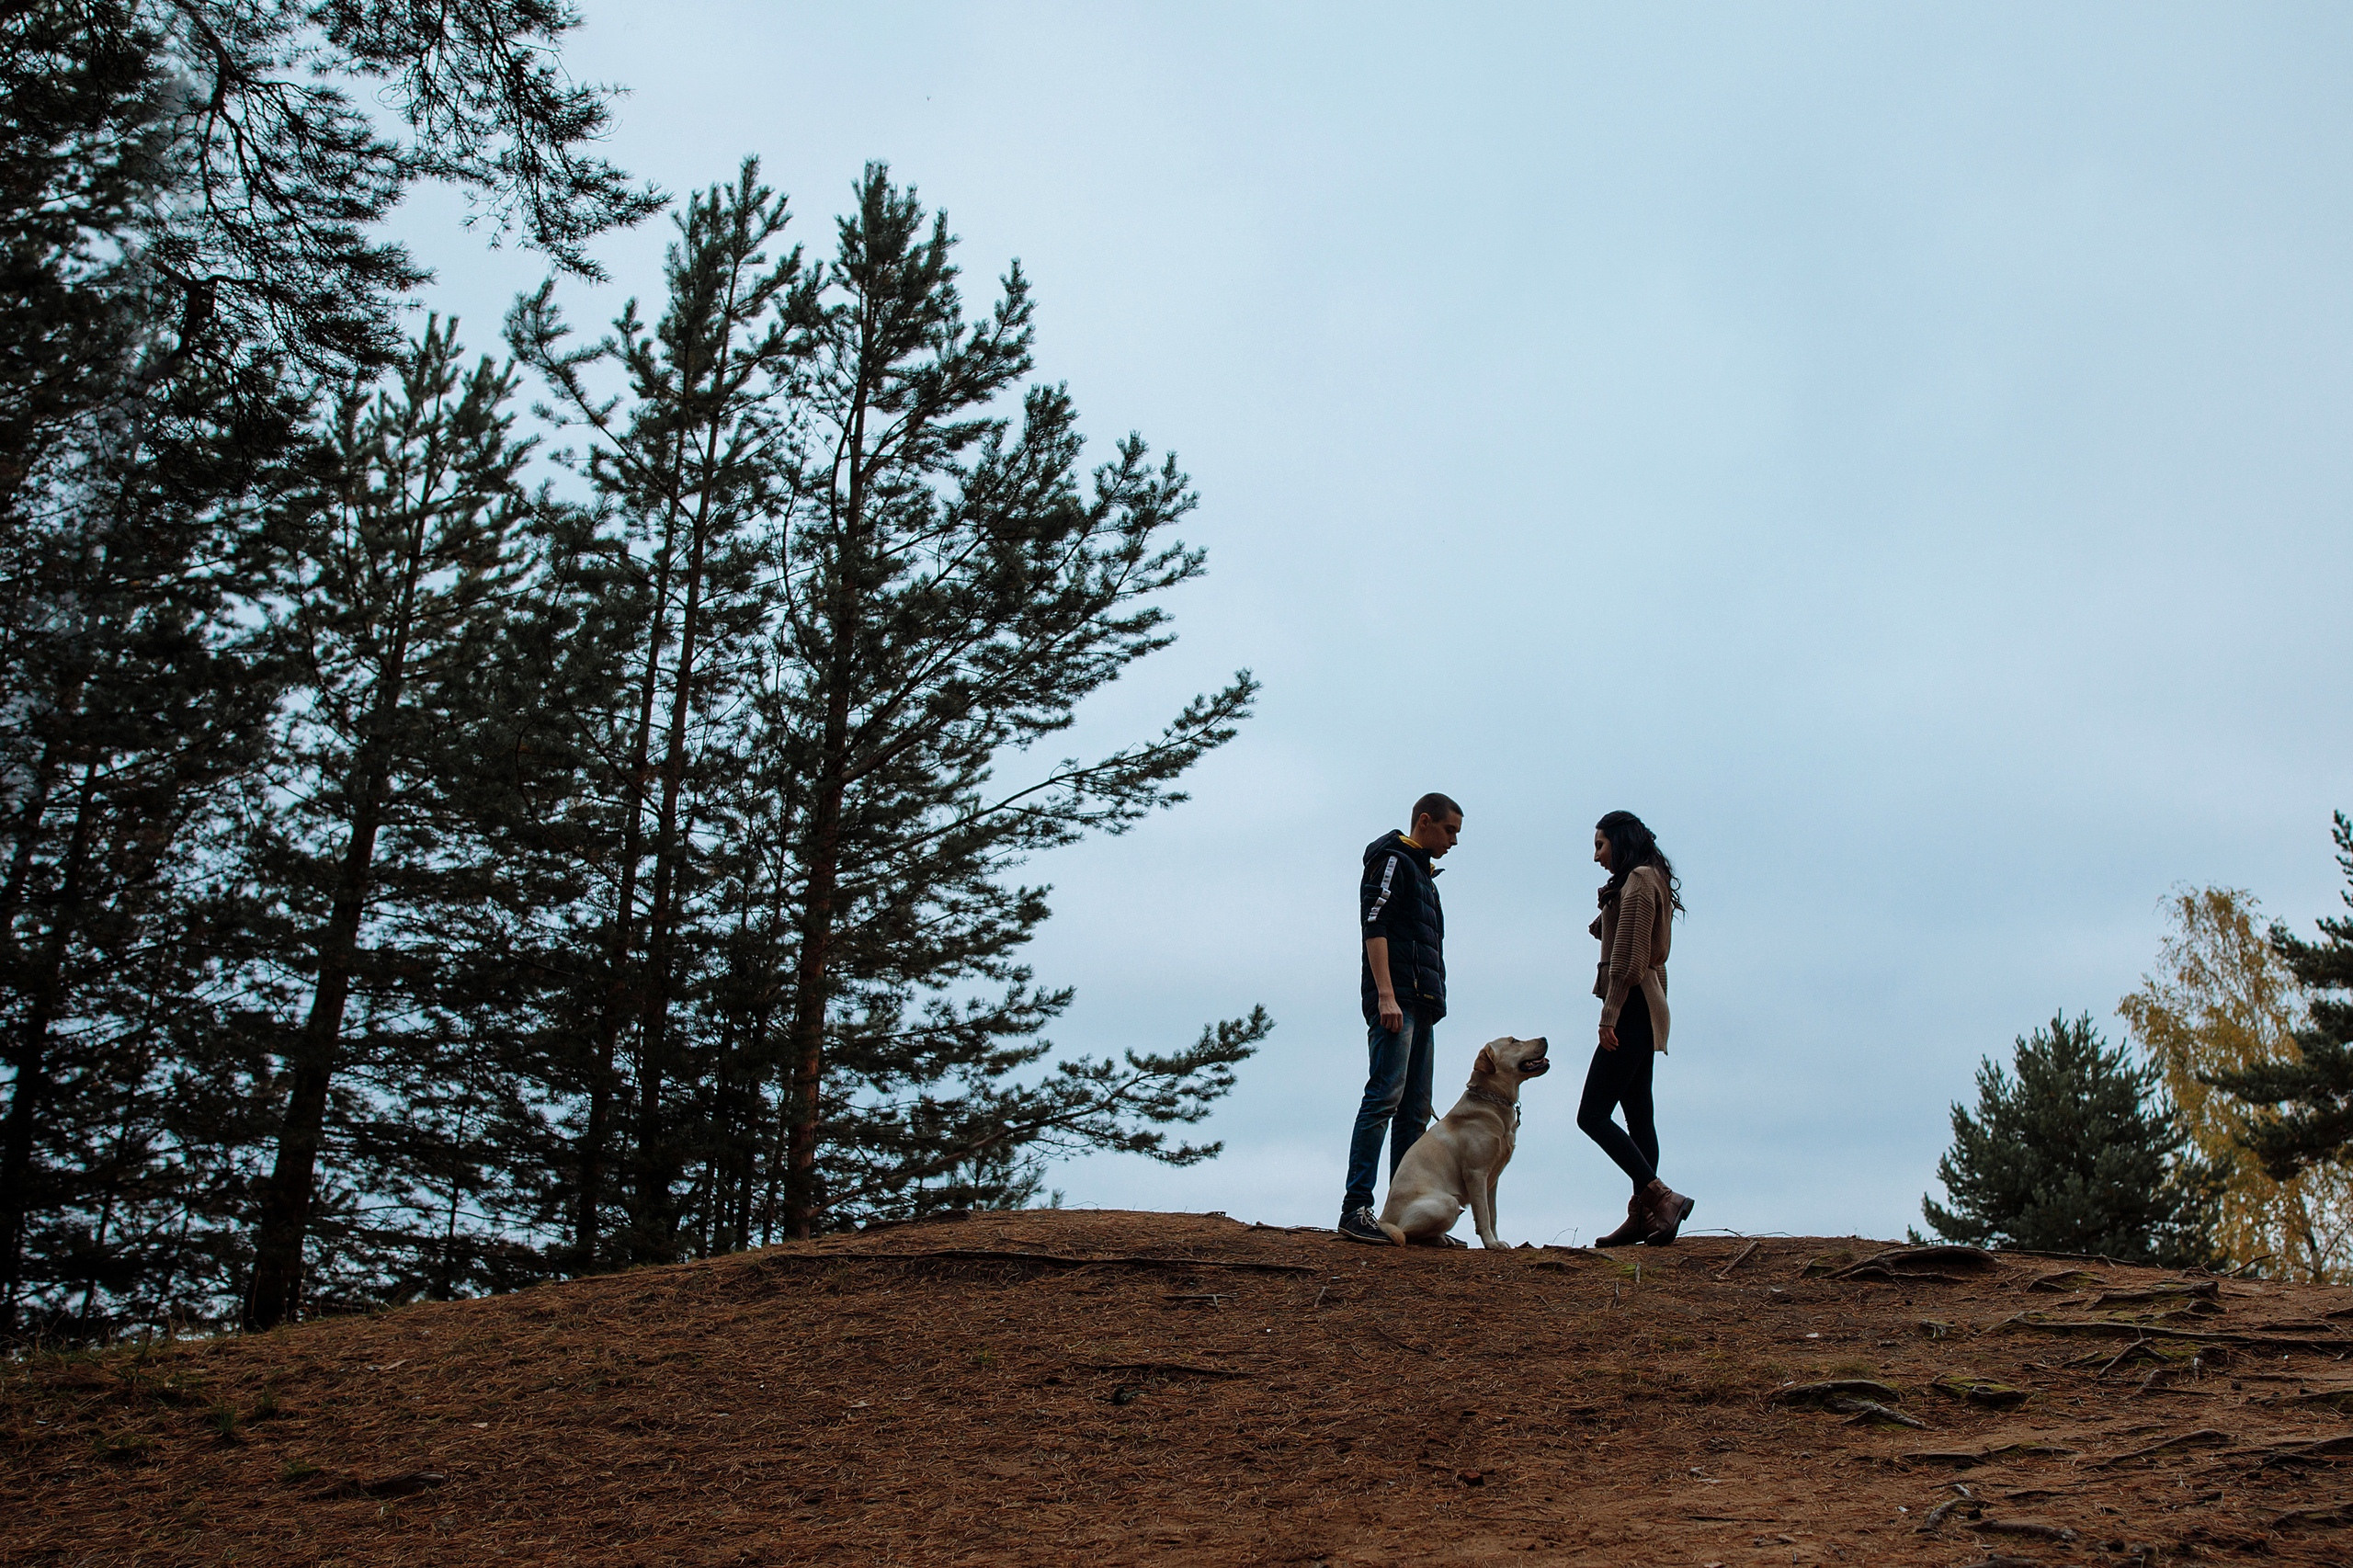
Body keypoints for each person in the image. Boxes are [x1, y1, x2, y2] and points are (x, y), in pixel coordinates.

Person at [1337, 793, 1462, 1244]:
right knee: (1383, 1099)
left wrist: (1429, 1002)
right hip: (1398, 1003)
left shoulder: (1426, 877)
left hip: (1422, 1004)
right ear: (1424, 822)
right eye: (1449, 831)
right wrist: (1387, 997)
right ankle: (1356, 1209)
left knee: (1413, 1113)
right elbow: (1375, 924)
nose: (1453, 841)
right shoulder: (1392, 860)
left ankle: (1404, 1216)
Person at [1581, 809, 1696, 1245]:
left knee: (1591, 1115)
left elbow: (1629, 961)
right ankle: (1644, 1216)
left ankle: (1660, 1197)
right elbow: (1636, 939)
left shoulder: (1639, 881)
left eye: (1600, 845)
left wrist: (1608, 1016)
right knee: (1638, 1116)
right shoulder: (1648, 879)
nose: (1596, 856)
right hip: (1648, 1007)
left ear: (1620, 842)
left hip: (1630, 1006)